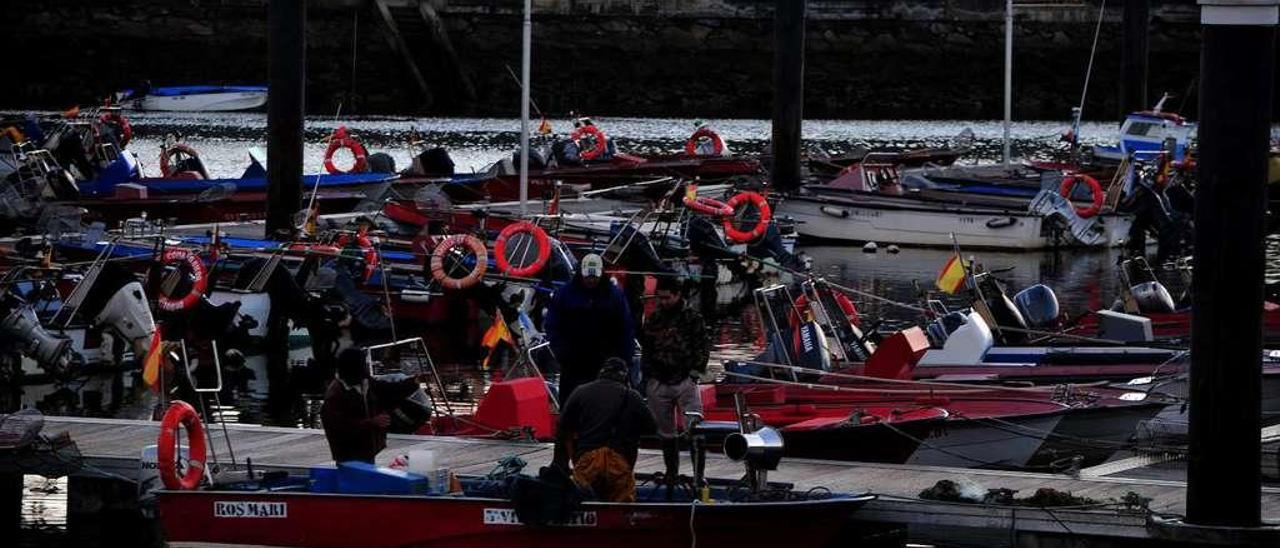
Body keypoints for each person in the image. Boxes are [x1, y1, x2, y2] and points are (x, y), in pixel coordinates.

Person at [638, 276, 710, 495]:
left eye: (667, 298)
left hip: (685, 380)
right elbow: (647, 349)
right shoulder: (653, 319)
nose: (663, 302)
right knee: (665, 433)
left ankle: (699, 475)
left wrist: (694, 375)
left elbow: (703, 347)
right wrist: (648, 377)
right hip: (659, 381)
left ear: (678, 295)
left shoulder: (693, 318)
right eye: (660, 298)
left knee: (695, 429)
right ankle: (671, 472)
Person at [554, 358, 656, 502]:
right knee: (622, 508)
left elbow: (562, 429)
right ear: (624, 377)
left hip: (587, 461)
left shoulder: (580, 392)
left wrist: (561, 464)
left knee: (581, 502)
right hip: (618, 462)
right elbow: (652, 428)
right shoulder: (632, 396)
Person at [544, 253, 635, 405]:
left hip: (606, 361)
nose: (591, 280)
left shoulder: (614, 296)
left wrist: (625, 358)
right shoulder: (565, 294)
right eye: (588, 277)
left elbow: (626, 328)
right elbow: (552, 325)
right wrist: (561, 351)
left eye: (595, 277)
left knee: (603, 405)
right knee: (571, 404)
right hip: (572, 361)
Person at [320, 348, 417, 463]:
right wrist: (372, 422)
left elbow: (386, 390)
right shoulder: (335, 394)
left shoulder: (364, 381)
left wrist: (413, 382)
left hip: (367, 449)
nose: (365, 367)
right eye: (363, 364)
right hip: (347, 453)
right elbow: (338, 427)